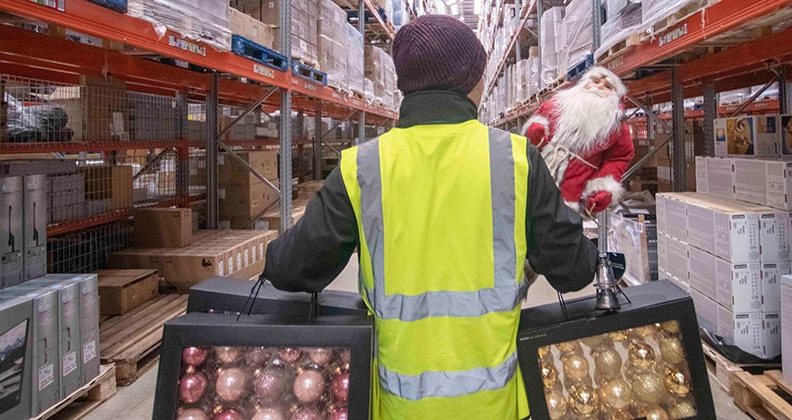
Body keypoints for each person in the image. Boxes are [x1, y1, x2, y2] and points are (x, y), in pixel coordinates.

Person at [261, 15, 598, 420]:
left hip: (399, 406)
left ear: (406, 84)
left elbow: (292, 270)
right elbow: (573, 271)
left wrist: (270, 253)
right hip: (496, 405)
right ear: (472, 80)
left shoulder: (363, 167)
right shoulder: (515, 159)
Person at [522, 66, 635, 215]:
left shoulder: (617, 128)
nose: (600, 87)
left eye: (608, 86)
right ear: (583, 84)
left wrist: (602, 188)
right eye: (595, 81)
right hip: (538, 179)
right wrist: (535, 132)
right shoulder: (555, 105)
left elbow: (618, 158)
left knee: (561, 231)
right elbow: (536, 124)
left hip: (573, 194)